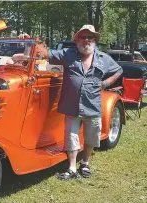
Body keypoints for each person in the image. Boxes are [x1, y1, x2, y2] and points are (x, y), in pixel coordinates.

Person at [19, 25, 123, 180]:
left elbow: (118, 70)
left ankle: (85, 163)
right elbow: (46, 54)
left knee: (91, 138)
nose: (86, 40)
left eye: (90, 37)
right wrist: (32, 41)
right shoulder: (68, 54)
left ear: (94, 40)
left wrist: (105, 84)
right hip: (72, 106)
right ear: (77, 40)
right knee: (71, 137)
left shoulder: (103, 58)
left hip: (92, 105)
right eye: (82, 37)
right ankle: (72, 167)